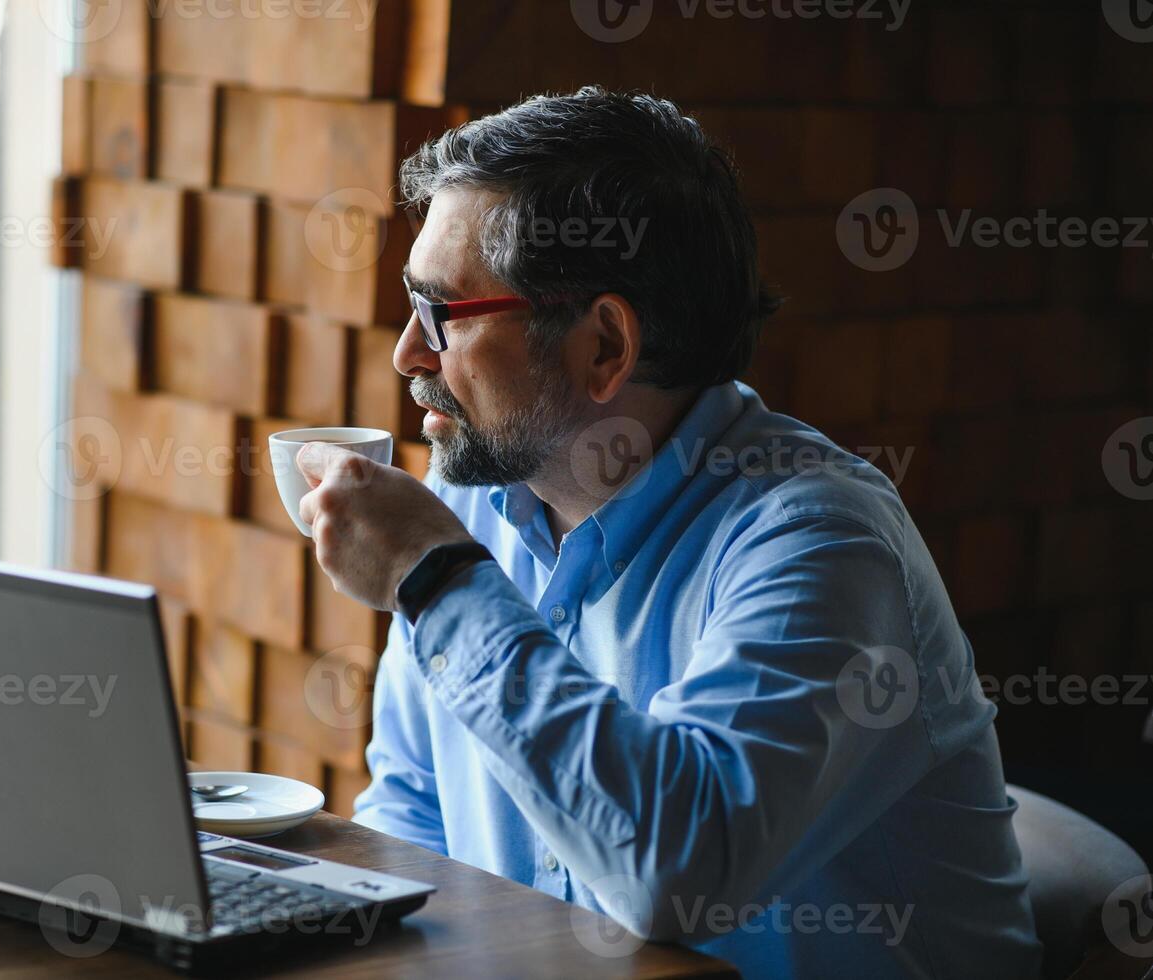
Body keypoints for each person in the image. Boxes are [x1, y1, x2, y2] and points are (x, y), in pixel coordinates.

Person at [294, 87, 1041, 978]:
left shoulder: (819, 544)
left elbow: (676, 874)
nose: (406, 356)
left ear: (605, 346)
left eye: (440, 314)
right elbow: (414, 816)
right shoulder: (475, 506)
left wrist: (437, 581)